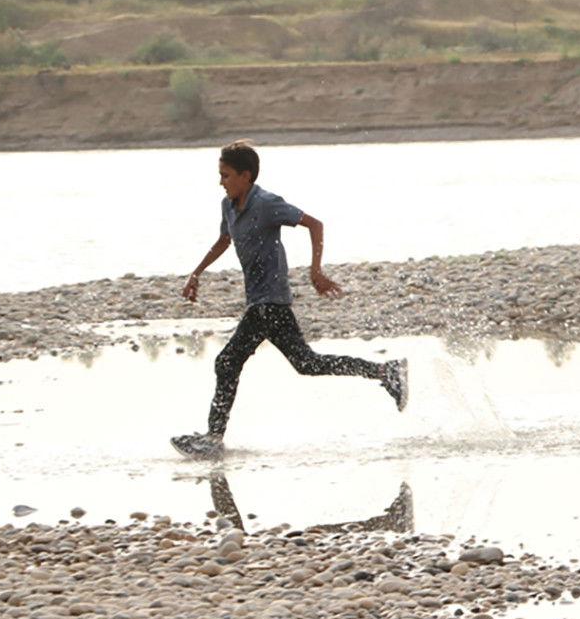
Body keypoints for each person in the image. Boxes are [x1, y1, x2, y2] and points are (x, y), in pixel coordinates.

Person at [171, 140, 407, 458]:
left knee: (233, 362)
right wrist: (196, 273)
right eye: (220, 175)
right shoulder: (228, 206)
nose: (221, 181)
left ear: (246, 175)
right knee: (304, 363)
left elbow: (314, 224)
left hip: (272, 302)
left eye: (226, 175)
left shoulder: (267, 203)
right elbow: (224, 239)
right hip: (259, 302)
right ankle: (385, 372)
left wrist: (316, 270)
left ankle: (213, 439)